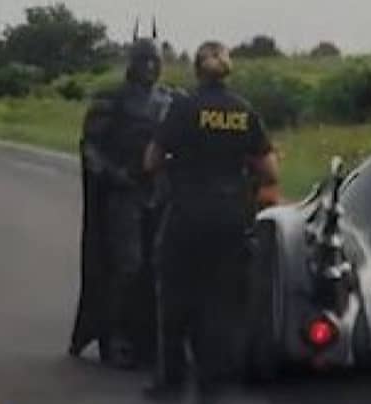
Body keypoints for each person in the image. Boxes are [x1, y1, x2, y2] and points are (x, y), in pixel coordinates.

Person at [142, 41, 281, 401]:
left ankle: (171, 379)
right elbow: (269, 170)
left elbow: (151, 161)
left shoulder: (183, 107)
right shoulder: (244, 112)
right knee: (221, 301)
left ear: (196, 70)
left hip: (186, 217)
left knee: (174, 297)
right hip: (231, 219)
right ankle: (214, 381)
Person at [68, 20, 181, 369]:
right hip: (122, 193)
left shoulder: (172, 100)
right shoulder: (111, 99)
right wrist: (114, 175)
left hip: (159, 194)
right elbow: (91, 147)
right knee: (126, 265)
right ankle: (113, 336)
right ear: (132, 62)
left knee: (157, 267)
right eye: (144, 60)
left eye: (155, 60)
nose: (150, 67)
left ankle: (148, 338)